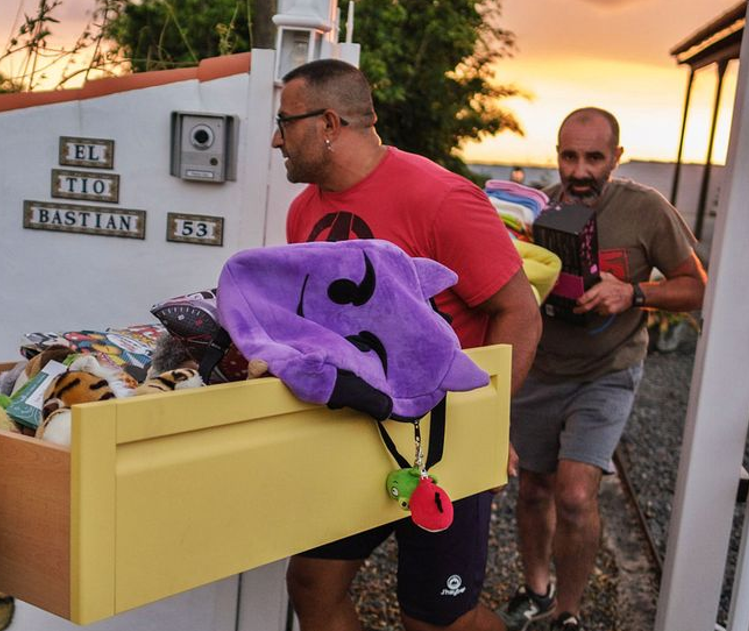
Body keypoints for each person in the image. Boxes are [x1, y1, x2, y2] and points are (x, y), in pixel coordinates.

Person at [275, 59, 541, 631]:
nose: (277, 138)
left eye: (285, 122)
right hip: (354, 434)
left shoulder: (441, 197)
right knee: (312, 584)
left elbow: (519, 312)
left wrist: (488, 426)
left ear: (327, 122)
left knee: (439, 621)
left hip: (445, 441)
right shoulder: (303, 211)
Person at [497, 107, 707, 631]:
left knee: (574, 494)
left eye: (595, 157)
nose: (581, 170)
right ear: (558, 156)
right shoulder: (532, 208)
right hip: (540, 366)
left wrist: (634, 291)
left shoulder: (645, 209)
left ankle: (569, 613)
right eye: (570, 156)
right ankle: (537, 590)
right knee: (534, 489)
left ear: (617, 156)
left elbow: (696, 286)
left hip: (607, 369)